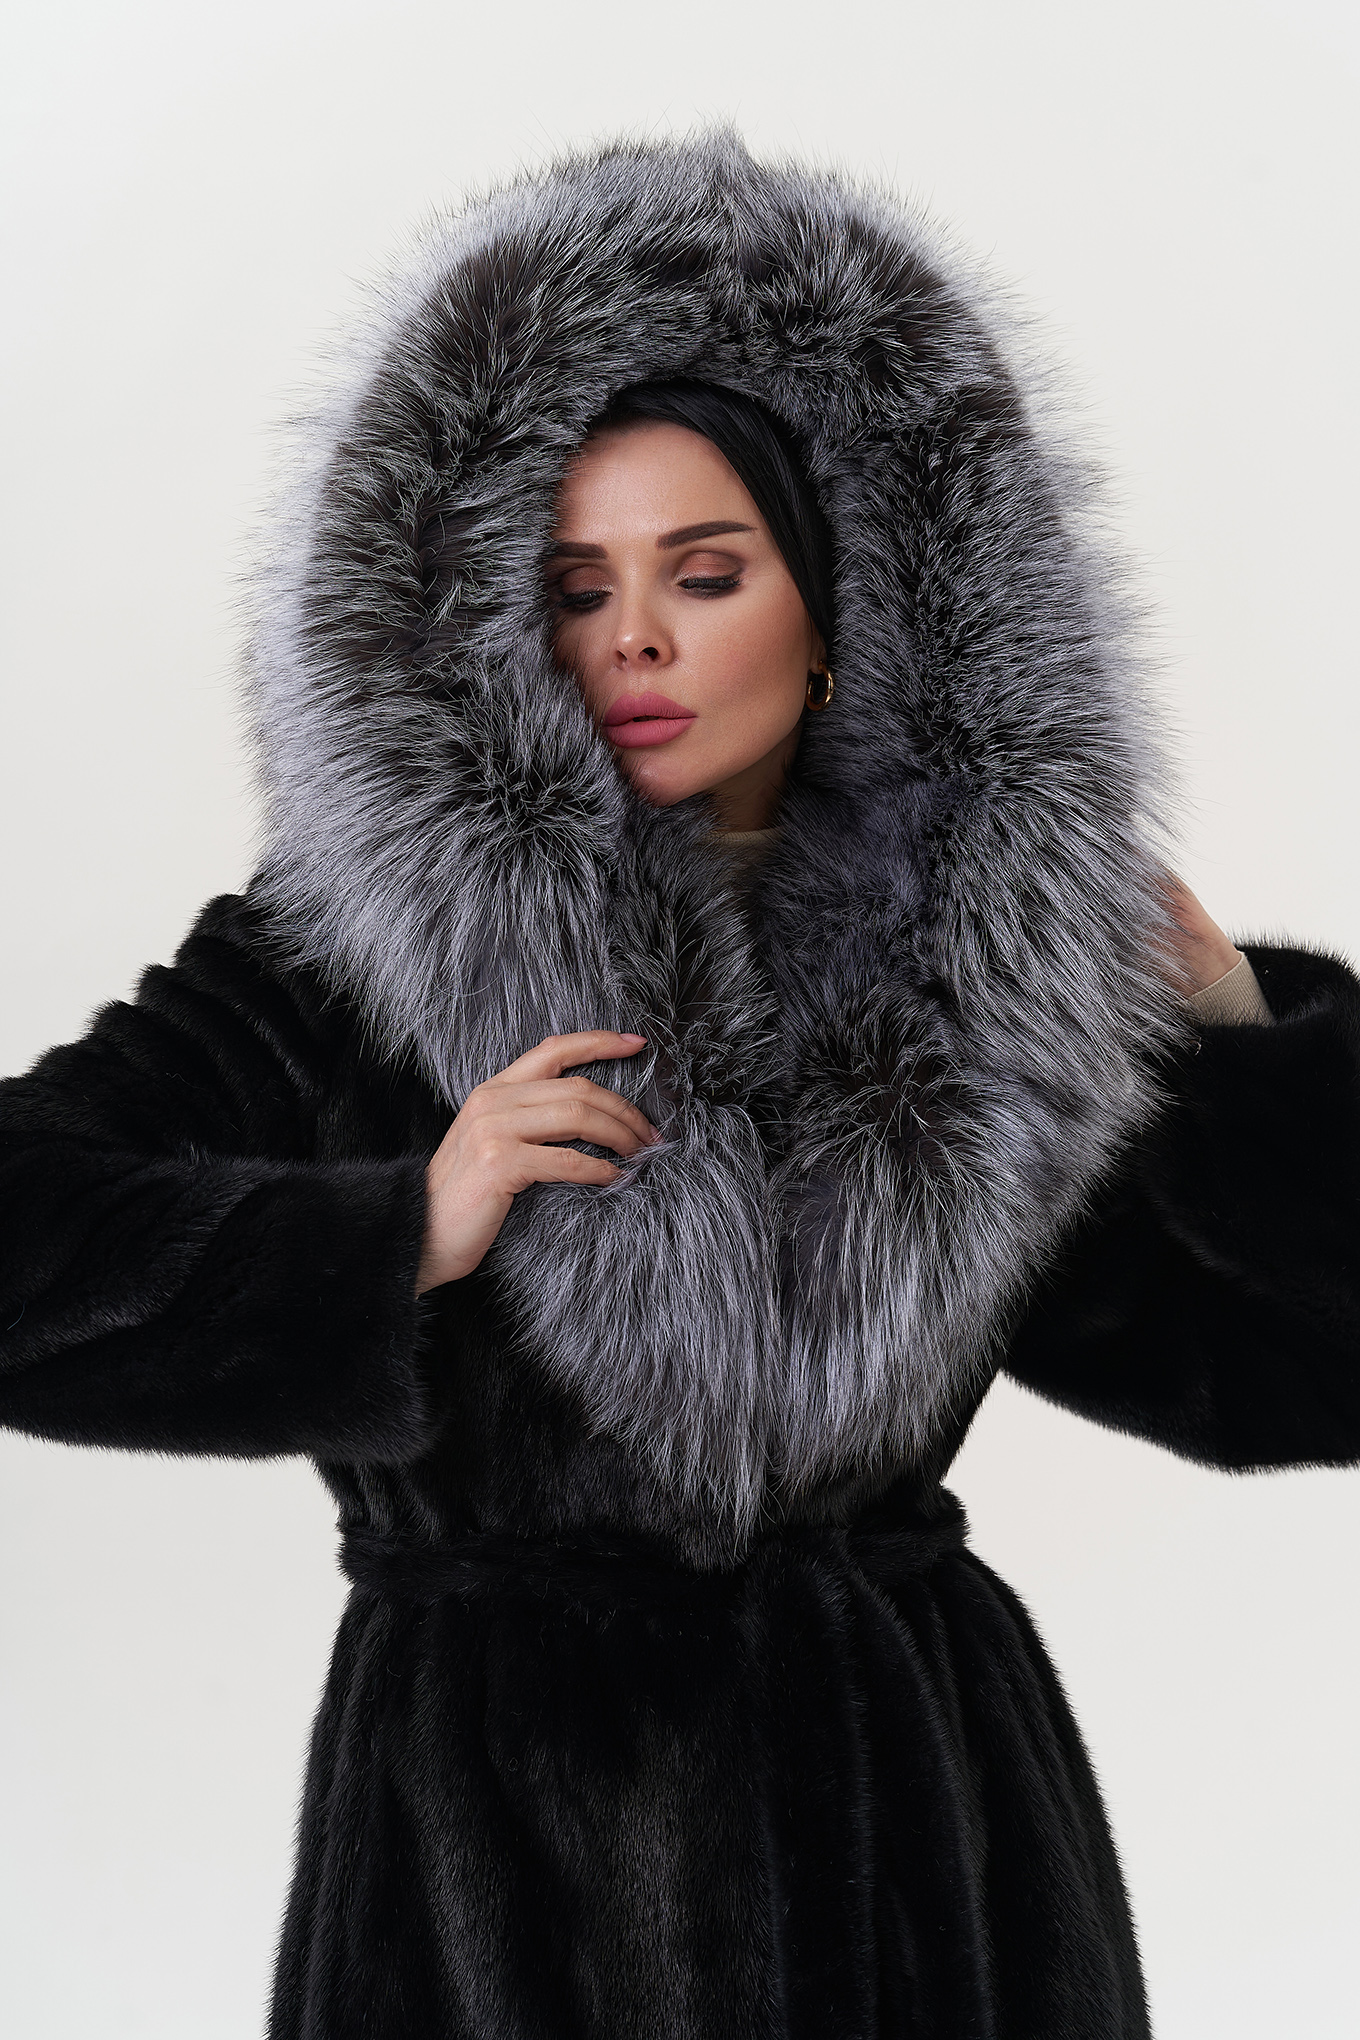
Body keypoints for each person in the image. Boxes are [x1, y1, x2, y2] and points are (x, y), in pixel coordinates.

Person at [1, 131, 1355, 2039]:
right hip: (493, 1879)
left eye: (704, 575)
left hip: (923, 1863)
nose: (632, 635)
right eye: (572, 586)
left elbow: (1296, 1378)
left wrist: (1239, 1045)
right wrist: (396, 1232)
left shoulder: (967, 986)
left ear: (837, 608)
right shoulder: (350, 957)